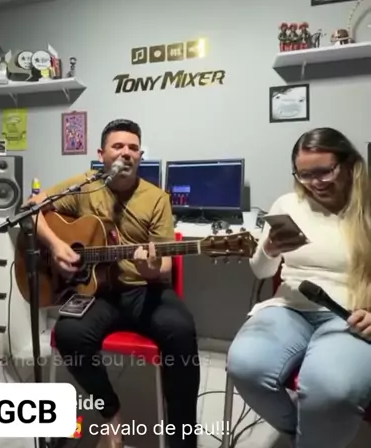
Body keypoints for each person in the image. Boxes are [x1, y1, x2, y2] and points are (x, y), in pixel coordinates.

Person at [29, 119, 200, 448]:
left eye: (133, 148)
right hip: (99, 292)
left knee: (181, 332)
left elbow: (164, 264)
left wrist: (149, 267)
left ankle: (182, 441)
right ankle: (111, 412)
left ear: (140, 156)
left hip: (146, 291)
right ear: (101, 154)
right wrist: (56, 244)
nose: (126, 153)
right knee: (68, 334)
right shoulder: (85, 186)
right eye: (118, 146)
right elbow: (33, 206)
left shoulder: (156, 198)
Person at [226, 127, 371, 448]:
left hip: (350, 314)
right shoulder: (288, 203)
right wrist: (269, 250)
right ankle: (305, 437)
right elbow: (260, 270)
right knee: (245, 365)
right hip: (289, 307)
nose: (316, 183)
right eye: (305, 175)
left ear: (349, 165)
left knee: (330, 388)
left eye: (325, 172)